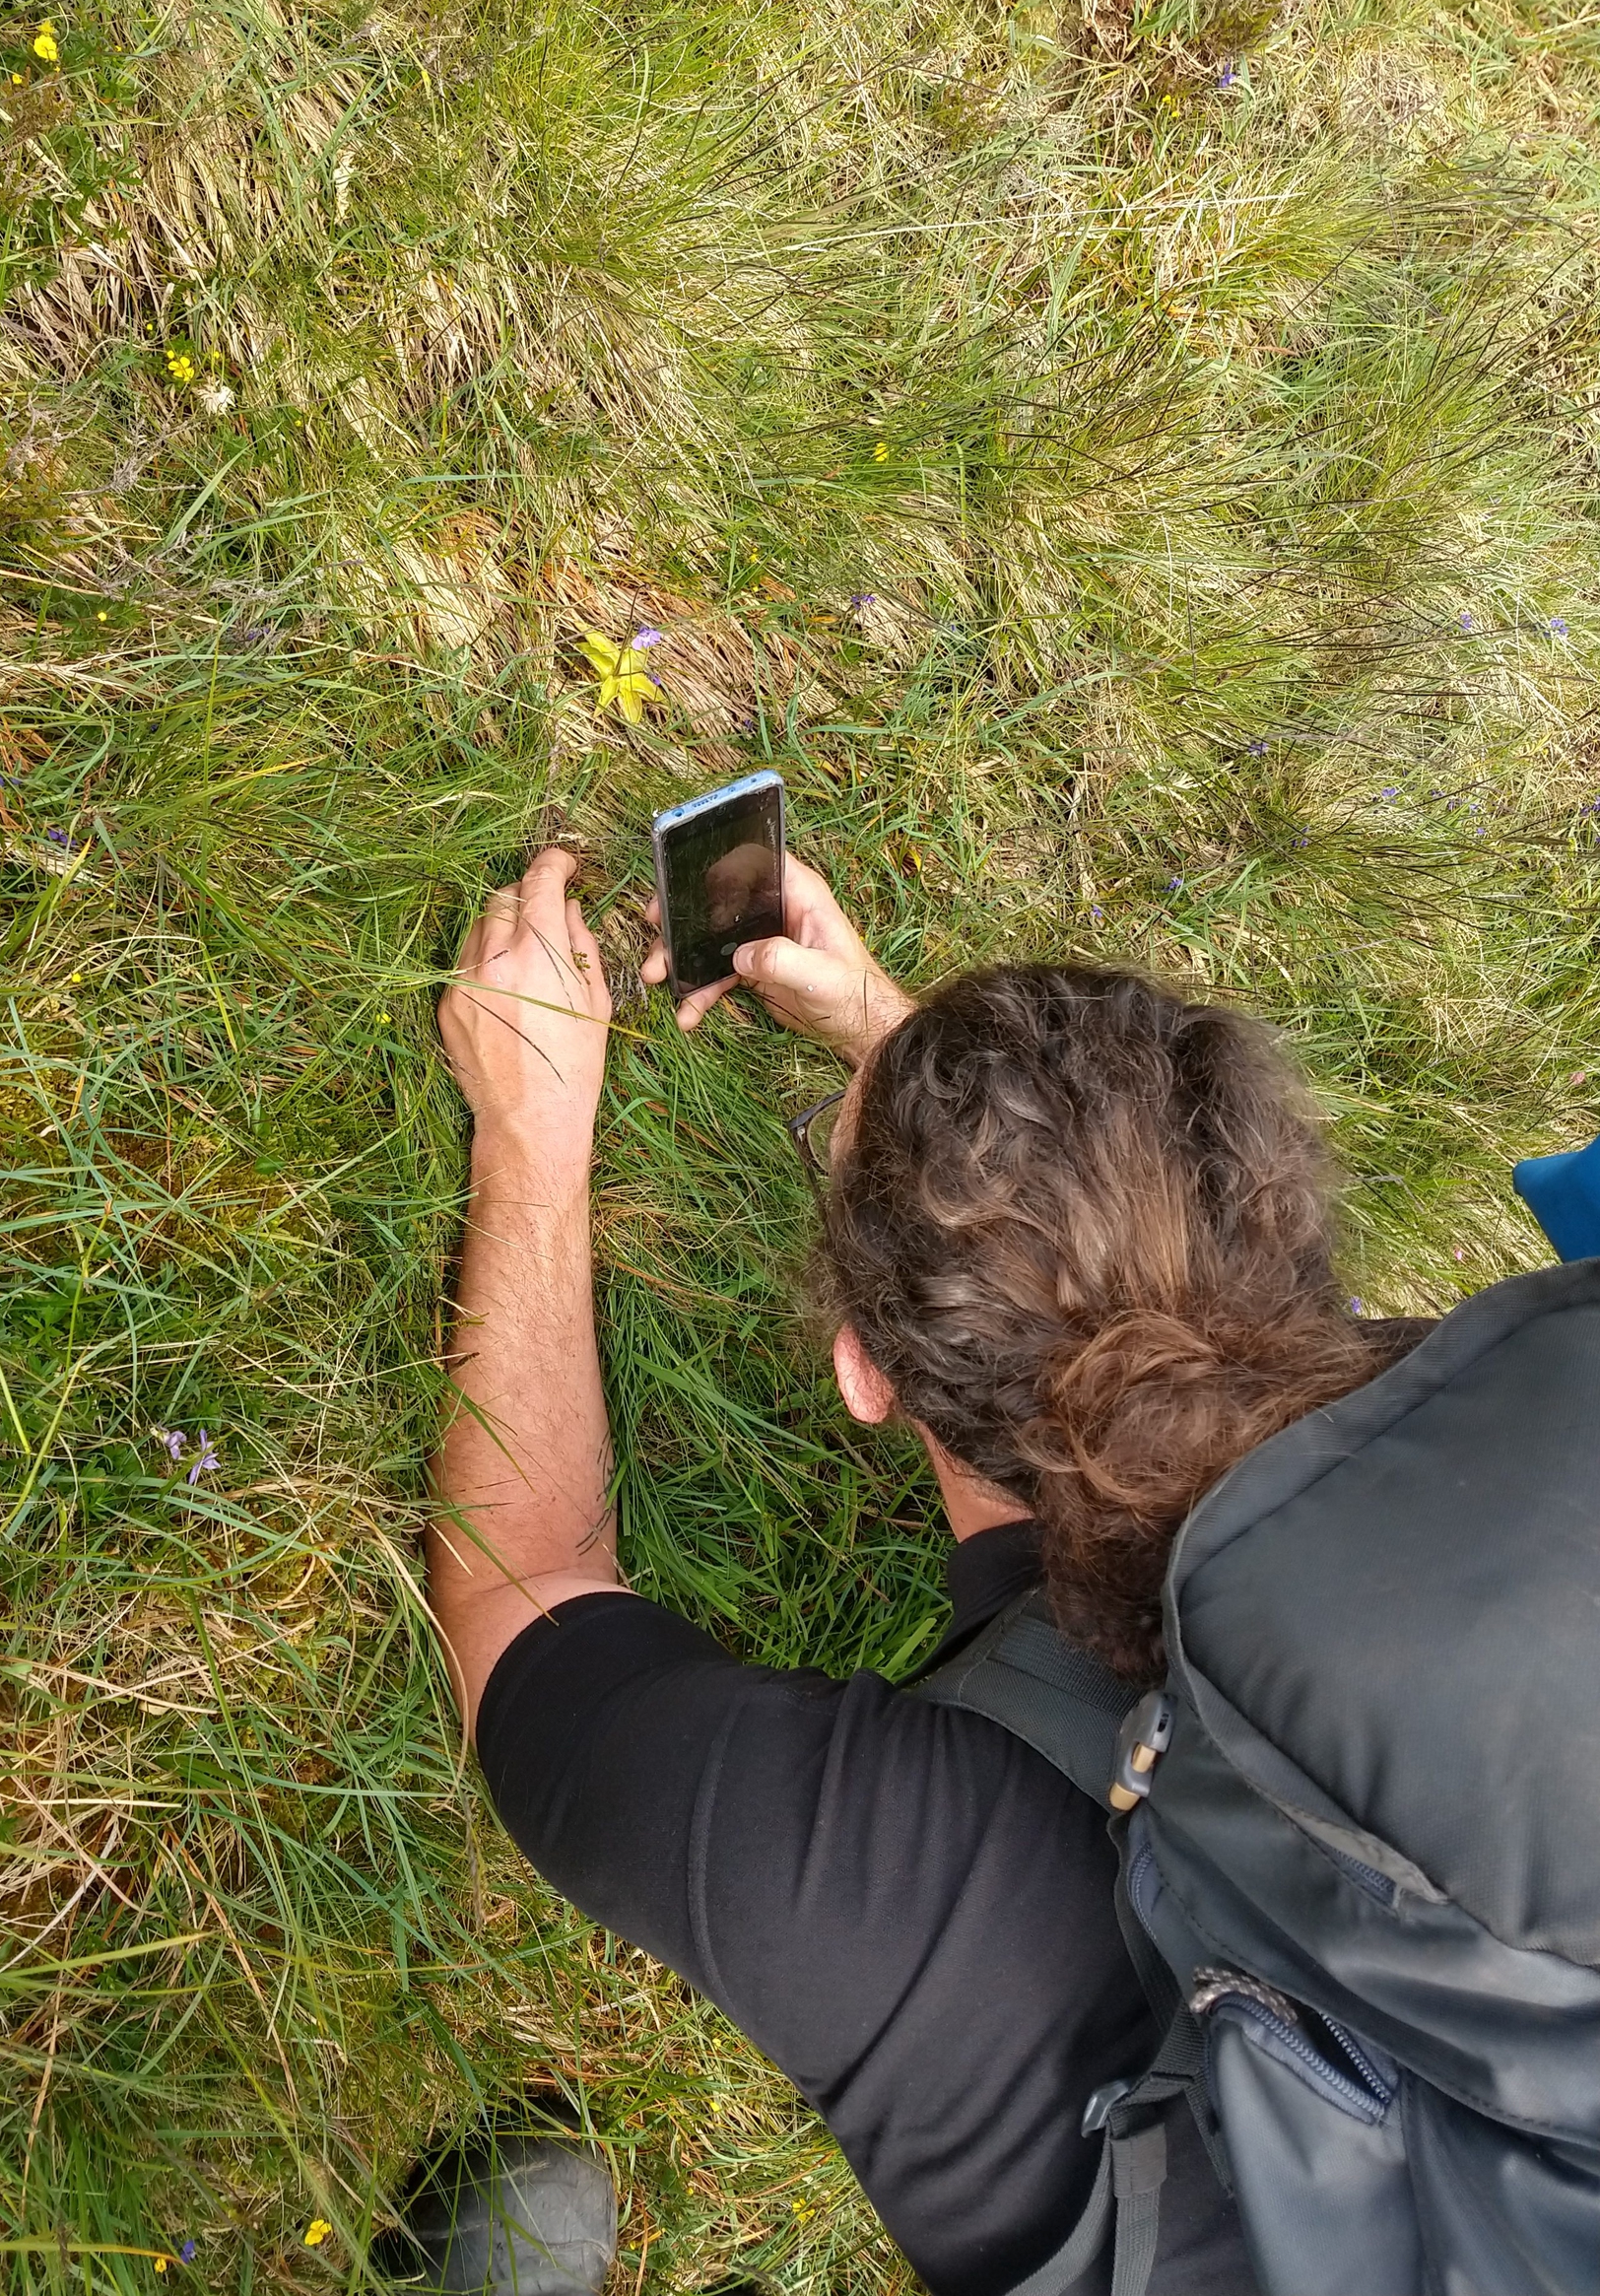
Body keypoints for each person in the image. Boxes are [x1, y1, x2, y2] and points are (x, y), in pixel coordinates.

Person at [420, 844, 1428, 2296]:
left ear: (866, 1376)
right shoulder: (1451, 1437)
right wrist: (903, 1063)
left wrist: (532, 1130)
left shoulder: (896, 1881)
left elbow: (521, 1598)